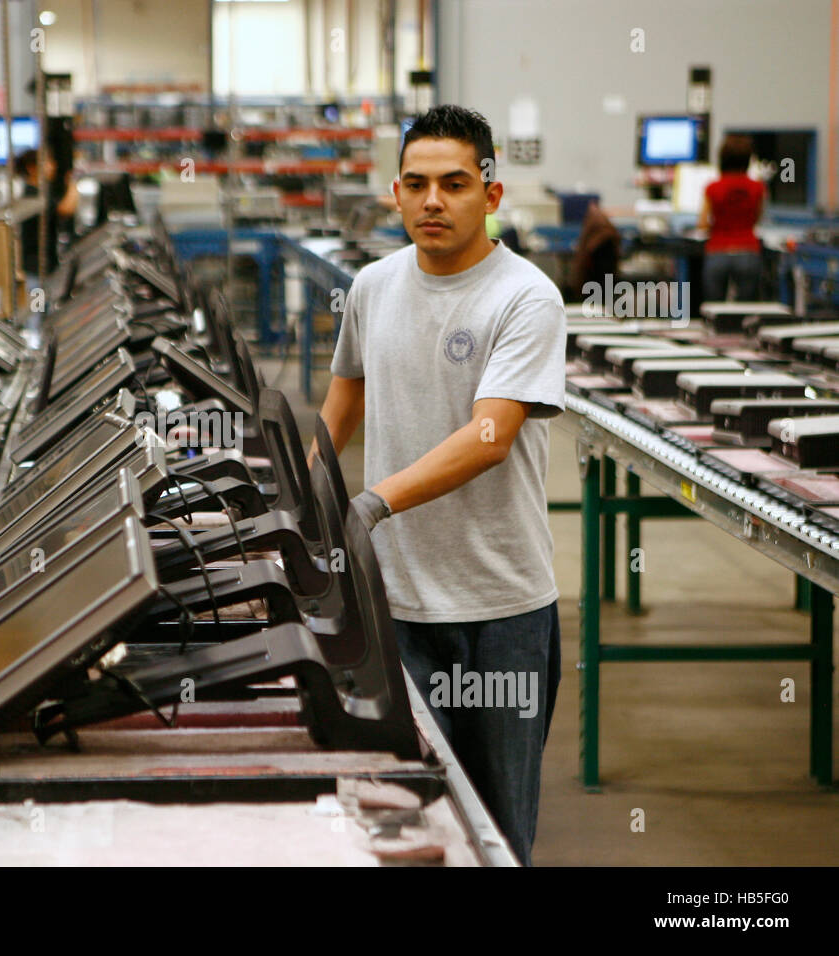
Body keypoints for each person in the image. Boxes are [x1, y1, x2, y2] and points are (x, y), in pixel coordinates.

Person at [317, 105, 566, 866]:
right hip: (394, 604)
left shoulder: (526, 297)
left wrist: (373, 500)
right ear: (394, 194)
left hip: (502, 611)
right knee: (413, 819)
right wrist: (308, 492)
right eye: (417, 185)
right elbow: (343, 403)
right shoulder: (371, 286)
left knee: (497, 828)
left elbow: (490, 438)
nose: (433, 201)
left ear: (490, 195)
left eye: (454, 184)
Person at [698, 134, 764, 301]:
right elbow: (757, 218)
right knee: (746, 311)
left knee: (714, 308)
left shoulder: (712, 188)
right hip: (748, 251)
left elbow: (703, 224)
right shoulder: (758, 187)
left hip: (717, 251)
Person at [15, 147, 78, 284]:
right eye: (47, 162)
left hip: (43, 269)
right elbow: (66, 209)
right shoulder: (33, 196)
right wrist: (72, 182)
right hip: (35, 271)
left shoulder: (40, 194)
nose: (52, 167)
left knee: (43, 304)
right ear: (32, 168)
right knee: (38, 305)